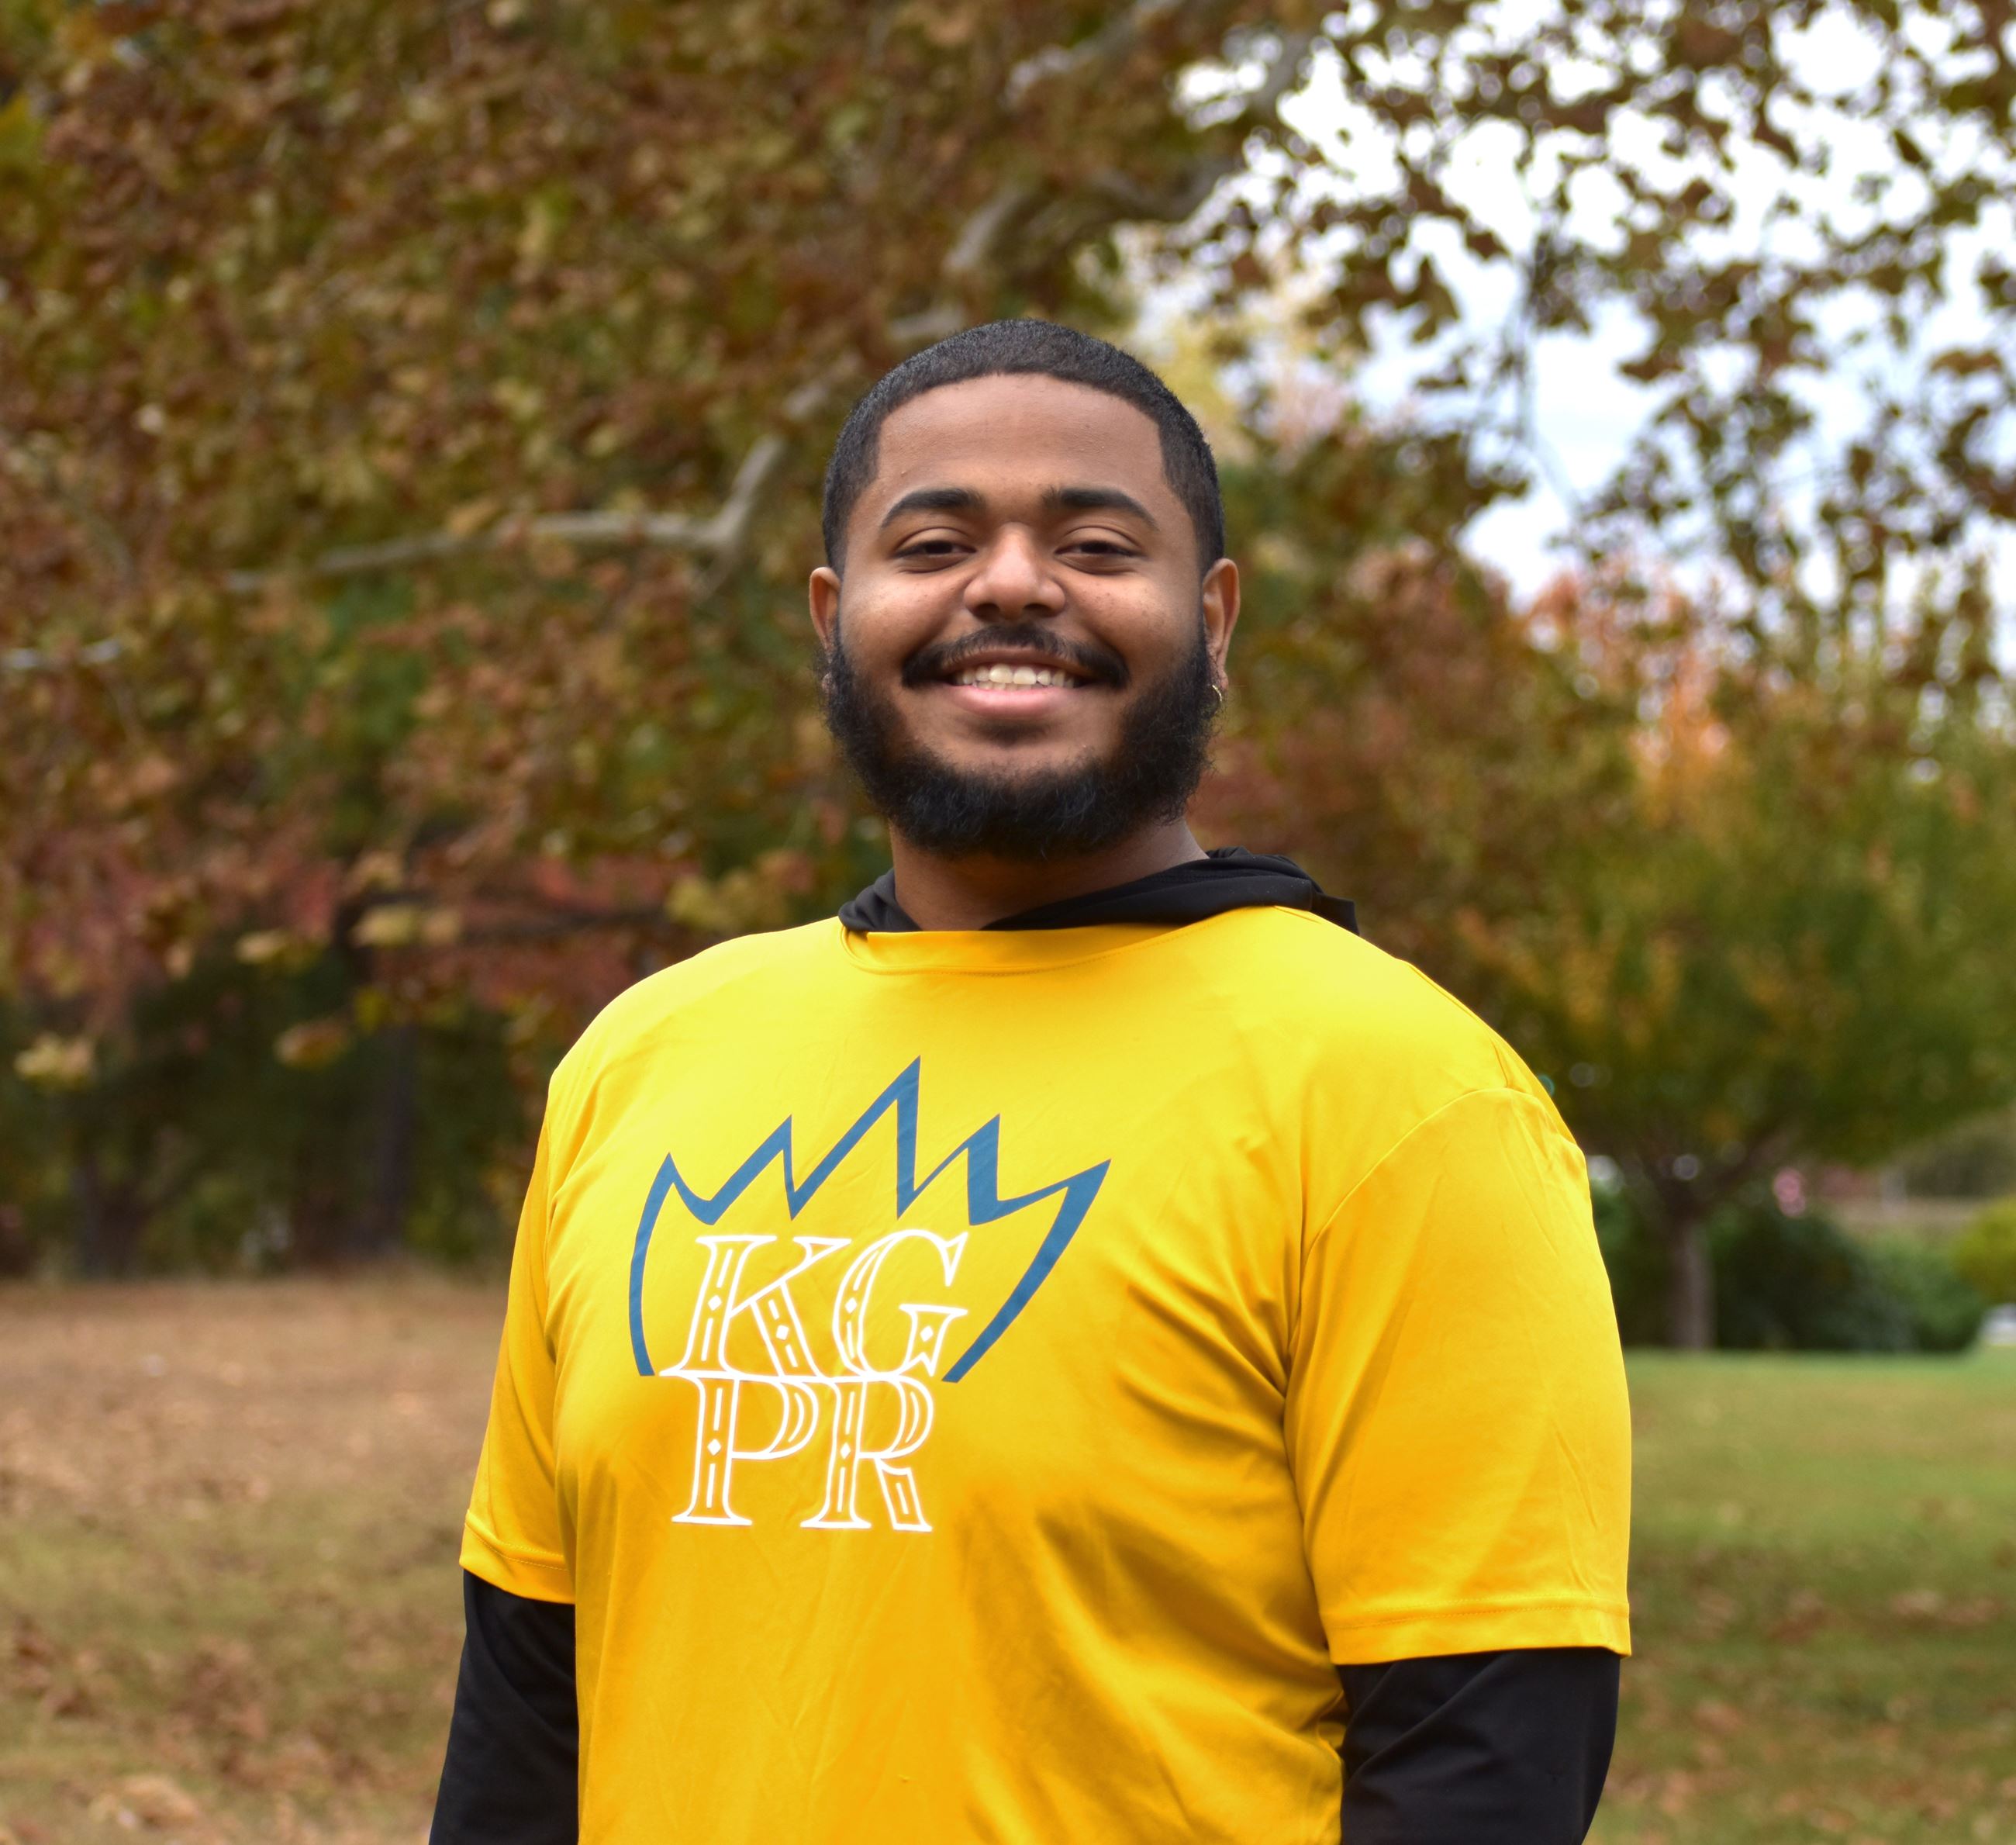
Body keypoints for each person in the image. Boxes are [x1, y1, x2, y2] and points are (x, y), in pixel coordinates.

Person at [429, 319, 1631, 1845]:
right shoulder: (640, 1058)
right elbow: (530, 1704)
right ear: (832, 613)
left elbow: (1482, 1761)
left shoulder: (1406, 1094)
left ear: (1211, 617)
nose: (1007, 583)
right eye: (931, 541)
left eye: (1092, 541)